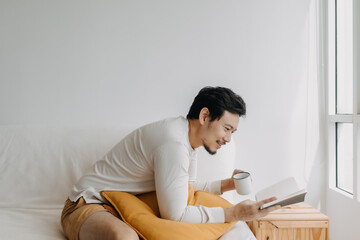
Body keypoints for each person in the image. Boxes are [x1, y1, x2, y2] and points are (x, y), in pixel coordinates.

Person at [61, 86, 279, 240]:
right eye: (227, 128)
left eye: (232, 132)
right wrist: (233, 214)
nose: (228, 139)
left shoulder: (185, 139)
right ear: (205, 116)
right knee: (125, 237)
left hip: (124, 204)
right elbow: (175, 214)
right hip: (87, 204)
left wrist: (226, 184)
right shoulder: (173, 143)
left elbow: (185, 187)